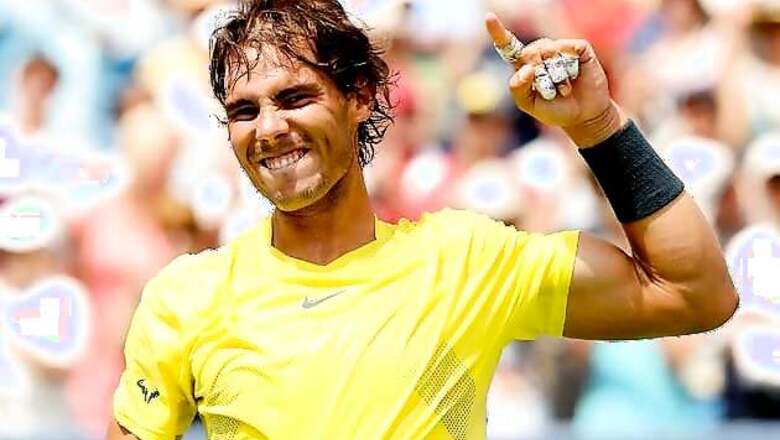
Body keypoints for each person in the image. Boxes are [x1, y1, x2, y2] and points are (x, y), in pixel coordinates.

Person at [107, 1, 738, 438]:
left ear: (360, 97)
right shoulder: (186, 296)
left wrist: (598, 125)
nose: (269, 128)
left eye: (295, 97)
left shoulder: (466, 260)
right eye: (244, 111)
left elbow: (695, 293)